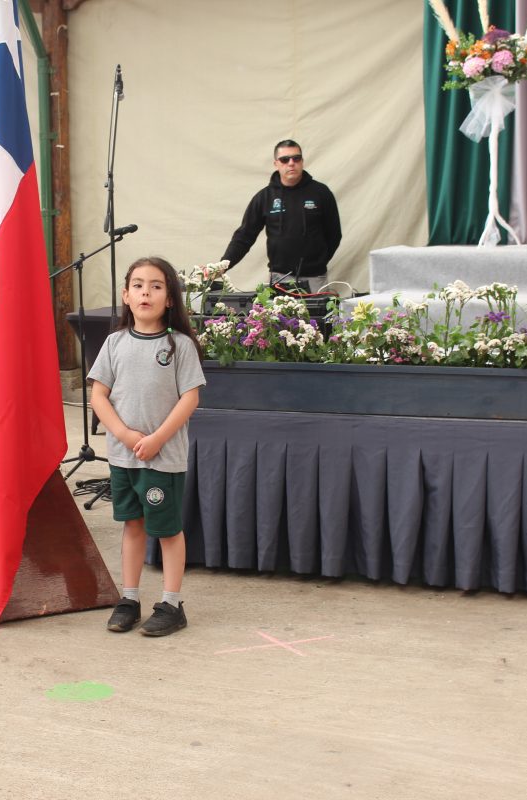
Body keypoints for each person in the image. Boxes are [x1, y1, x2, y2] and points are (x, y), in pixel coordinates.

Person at [89, 256, 206, 637]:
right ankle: (130, 597)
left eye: (156, 286)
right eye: (138, 285)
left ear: (170, 298)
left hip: (163, 458)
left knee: (168, 529)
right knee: (132, 524)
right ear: (126, 295)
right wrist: (124, 434)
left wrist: (156, 439)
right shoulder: (114, 343)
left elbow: (189, 398)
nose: (146, 292)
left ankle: (171, 603)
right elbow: (98, 396)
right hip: (125, 457)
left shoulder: (180, 346)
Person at [221, 139, 342, 293]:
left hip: (315, 278)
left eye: (296, 158)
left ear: (302, 161)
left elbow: (334, 234)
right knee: (280, 318)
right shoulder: (264, 197)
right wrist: (222, 266)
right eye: (285, 159)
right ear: (276, 164)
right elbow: (244, 237)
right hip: (279, 279)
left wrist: (318, 261)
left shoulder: (321, 193)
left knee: (316, 317)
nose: (291, 163)